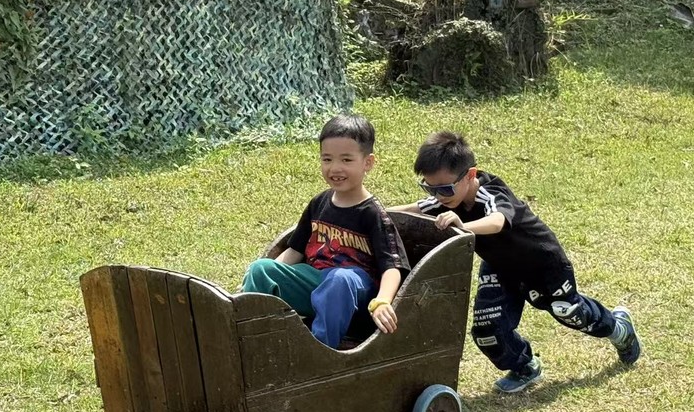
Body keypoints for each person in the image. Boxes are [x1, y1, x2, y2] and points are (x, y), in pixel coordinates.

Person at [390, 131, 642, 393]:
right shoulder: (447, 197)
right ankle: (525, 366)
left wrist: (462, 227)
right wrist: (374, 213)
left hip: (543, 265)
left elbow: (497, 221)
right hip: (501, 268)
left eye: (443, 188)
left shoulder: (492, 192)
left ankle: (619, 328)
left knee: (569, 312)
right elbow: (414, 209)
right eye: (430, 187)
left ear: (470, 175)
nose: (438, 195)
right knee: (487, 329)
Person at [242, 114, 410, 349]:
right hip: (317, 281)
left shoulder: (372, 214)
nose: (335, 168)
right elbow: (295, 251)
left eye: (346, 160)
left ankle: (320, 350)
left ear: (368, 163)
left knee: (339, 279)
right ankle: (250, 337)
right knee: (261, 268)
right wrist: (266, 275)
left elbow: (392, 267)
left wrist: (382, 301)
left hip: (355, 295)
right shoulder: (319, 203)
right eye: (327, 159)